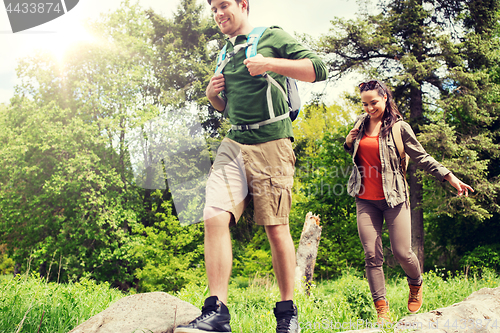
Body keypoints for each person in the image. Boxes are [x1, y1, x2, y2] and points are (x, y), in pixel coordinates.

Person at [174, 0, 327, 333]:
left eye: (223, 5)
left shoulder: (270, 37)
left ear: (243, 5)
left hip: (272, 143)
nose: (218, 14)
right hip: (234, 143)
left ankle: (287, 315)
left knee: (275, 227)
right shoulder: (224, 53)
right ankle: (216, 312)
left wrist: (270, 63)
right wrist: (213, 96)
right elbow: (228, 108)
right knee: (213, 216)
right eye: (213, 8)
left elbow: (319, 68)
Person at [344, 80, 473, 323]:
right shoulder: (361, 124)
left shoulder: (399, 128)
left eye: (373, 103)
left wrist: (450, 176)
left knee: (402, 252)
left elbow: (422, 157)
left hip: (394, 198)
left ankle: (415, 282)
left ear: (384, 98)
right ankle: (382, 310)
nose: (369, 108)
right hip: (365, 199)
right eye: (364, 104)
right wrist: (349, 141)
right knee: (371, 255)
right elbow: (356, 153)